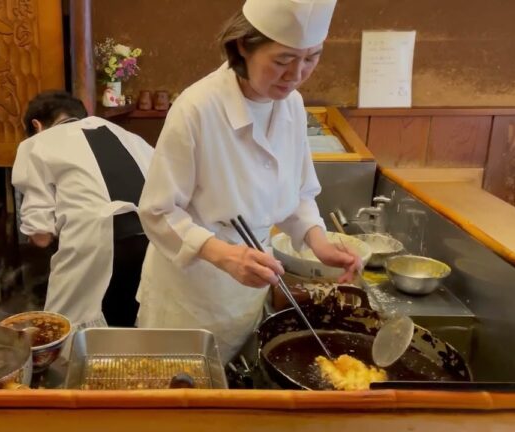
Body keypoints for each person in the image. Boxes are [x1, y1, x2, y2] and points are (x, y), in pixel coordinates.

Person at [136, 0, 361, 361]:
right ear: (244, 45)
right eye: (283, 60)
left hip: (248, 290)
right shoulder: (197, 108)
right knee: (180, 403)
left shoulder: (291, 105)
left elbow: (297, 191)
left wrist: (318, 242)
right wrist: (224, 256)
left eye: (311, 58)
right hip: (190, 298)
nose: (297, 74)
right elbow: (158, 212)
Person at [12, 90, 153, 330]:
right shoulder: (129, 136)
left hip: (93, 244)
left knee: (67, 332)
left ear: (37, 125)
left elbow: (41, 235)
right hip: (154, 241)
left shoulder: (36, 144)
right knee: (136, 332)